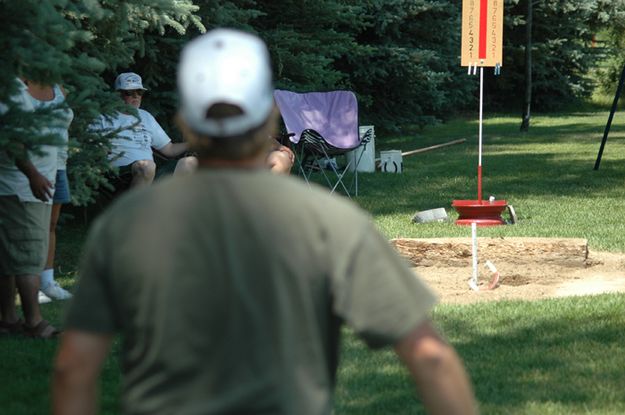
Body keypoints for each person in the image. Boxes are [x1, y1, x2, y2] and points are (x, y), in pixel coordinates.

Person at [53, 29, 477, 414]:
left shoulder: (127, 224)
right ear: (270, 119)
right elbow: (431, 358)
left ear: (184, 119)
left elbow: (73, 370)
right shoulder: (330, 221)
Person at [0, 78, 61, 338]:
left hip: (39, 183)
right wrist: (32, 174)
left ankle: (8, 320)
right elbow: (11, 137)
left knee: (11, 256)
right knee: (27, 255)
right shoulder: (11, 87)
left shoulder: (51, 83)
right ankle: (34, 322)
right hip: (21, 186)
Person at [92, 72, 197, 189]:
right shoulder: (103, 118)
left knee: (190, 163)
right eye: (130, 93)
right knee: (147, 167)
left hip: (150, 171)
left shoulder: (146, 116)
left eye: (139, 92)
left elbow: (169, 149)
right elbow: (94, 152)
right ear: (118, 94)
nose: (136, 96)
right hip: (121, 174)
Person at [20, 80, 75, 302]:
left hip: (59, 164)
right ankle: (26, 281)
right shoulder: (18, 87)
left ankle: (47, 283)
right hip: (31, 168)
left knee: (50, 225)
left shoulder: (59, 87)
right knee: (30, 226)